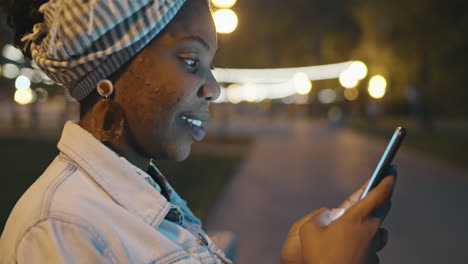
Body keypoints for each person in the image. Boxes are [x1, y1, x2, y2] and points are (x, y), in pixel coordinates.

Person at [0, 0, 397, 263]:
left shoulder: (141, 193)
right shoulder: (62, 228)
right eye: (191, 61)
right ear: (106, 76)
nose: (214, 89)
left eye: (210, 65)